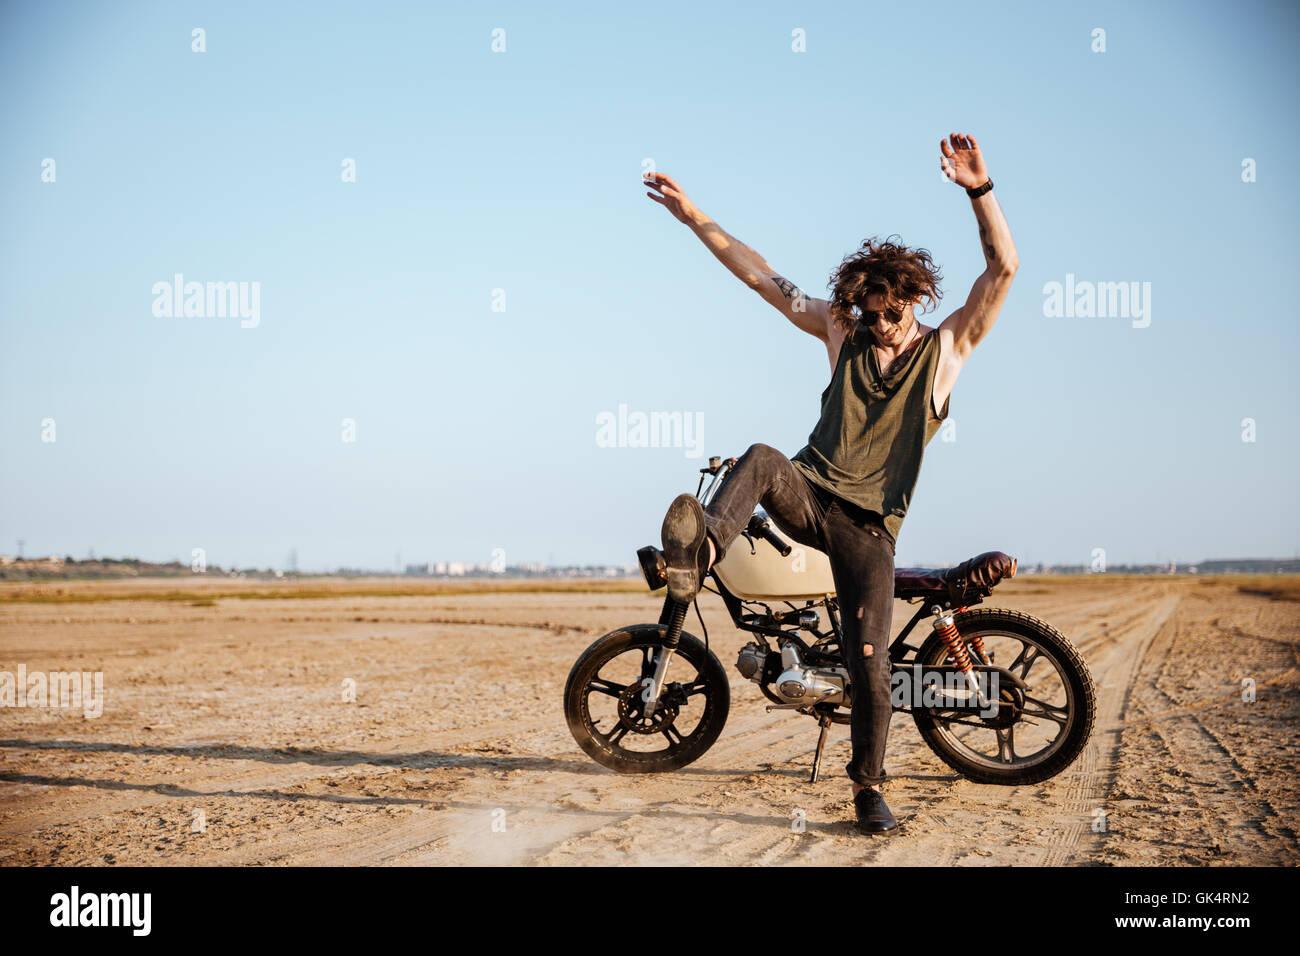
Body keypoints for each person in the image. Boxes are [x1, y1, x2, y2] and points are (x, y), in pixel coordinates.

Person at [645, 132, 1019, 834]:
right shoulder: (841, 332)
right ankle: (703, 555)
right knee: (758, 454)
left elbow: (1003, 270)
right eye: (868, 313)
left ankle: (868, 792)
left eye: (890, 313)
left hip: (869, 530)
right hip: (808, 496)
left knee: (872, 665)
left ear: (916, 298)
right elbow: (763, 276)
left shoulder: (945, 351)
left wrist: (979, 190)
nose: (877, 325)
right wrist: (695, 218)